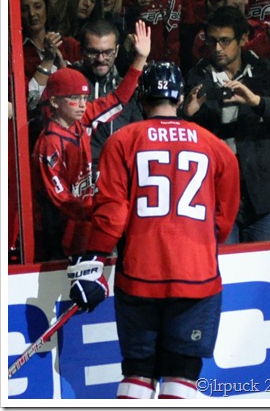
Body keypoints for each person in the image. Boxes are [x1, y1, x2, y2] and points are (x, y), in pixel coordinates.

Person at [66, 60, 240, 399]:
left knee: (137, 371)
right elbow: (222, 223)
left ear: (142, 97)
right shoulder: (216, 146)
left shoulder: (123, 140)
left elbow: (113, 214)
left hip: (139, 277)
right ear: (178, 99)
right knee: (182, 373)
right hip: (197, 277)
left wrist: (95, 260)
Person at [32, 20, 150, 260]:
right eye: (75, 98)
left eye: (84, 98)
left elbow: (117, 99)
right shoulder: (49, 144)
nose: (83, 104)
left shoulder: (79, 118)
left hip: (85, 219)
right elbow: (61, 200)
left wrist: (140, 59)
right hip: (61, 229)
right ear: (55, 101)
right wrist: (98, 208)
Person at [183, 6, 270, 244]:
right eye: (213, 41)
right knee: (228, 272)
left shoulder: (262, 70)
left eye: (225, 41)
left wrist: (257, 102)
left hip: (262, 194)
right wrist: (185, 114)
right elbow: (177, 132)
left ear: (243, 39)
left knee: (266, 270)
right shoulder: (197, 76)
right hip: (216, 195)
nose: (217, 49)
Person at [72, 19, 144, 179]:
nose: (100, 58)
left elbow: (139, 136)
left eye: (107, 52)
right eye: (93, 52)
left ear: (117, 51)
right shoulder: (69, 85)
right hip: (76, 176)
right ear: (81, 50)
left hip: (118, 176)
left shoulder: (128, 90)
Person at [20, 0, 82, 149]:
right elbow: (30, 102)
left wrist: (62, 65)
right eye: (24, 9)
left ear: (47, 7)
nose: (32, 14)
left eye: (37, 6)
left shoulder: (69, 45)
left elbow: (81, 94)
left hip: (73, 133)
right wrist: (48, 59)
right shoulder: (17, 53)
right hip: (36, 135)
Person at [121, 0, 196, 77]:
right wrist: (134, 7)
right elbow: (120, 26)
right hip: (139, 67)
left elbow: (188, 32)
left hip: (174, 68)